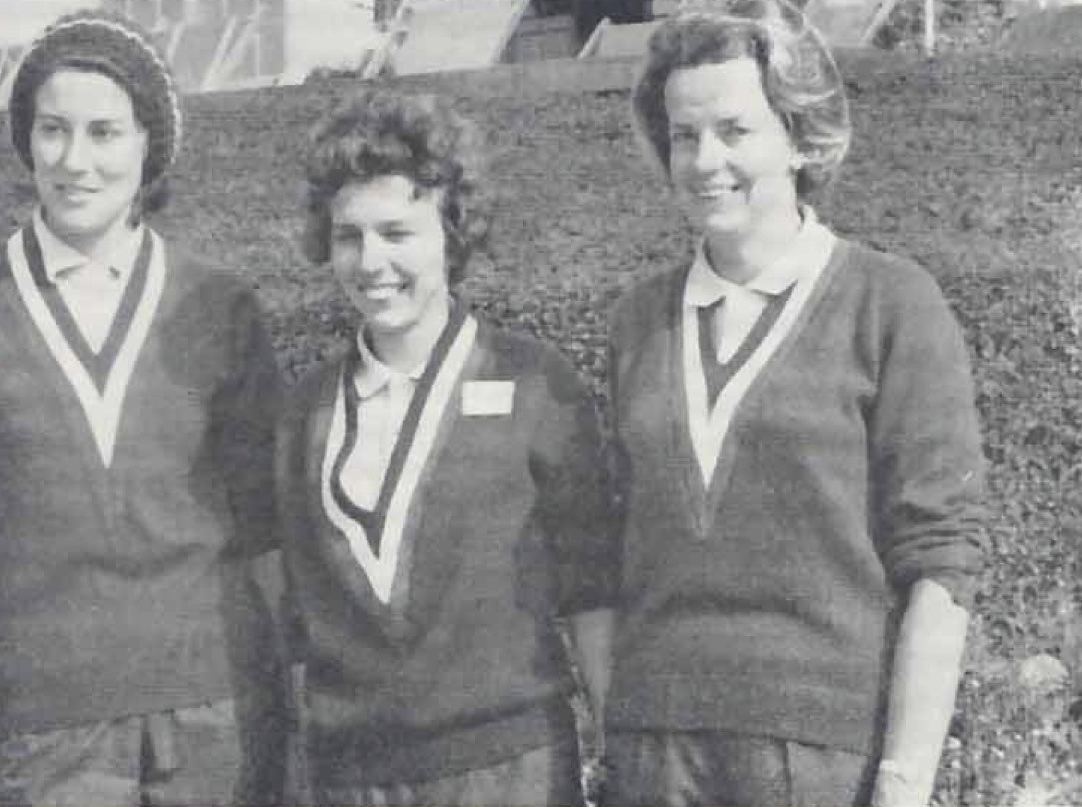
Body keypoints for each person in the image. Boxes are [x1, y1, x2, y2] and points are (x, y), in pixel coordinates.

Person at [0, 11, 285, 805]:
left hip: (219, 718)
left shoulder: (218, 302)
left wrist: (292, 698)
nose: (76, 161)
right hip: (53, 729)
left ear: (148, 144)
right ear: (26, 140)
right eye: (53, 130)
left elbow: (266, 524)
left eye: (105, 132)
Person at [603, 1, 987, 804]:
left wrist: (903, 779)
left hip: (817, 756)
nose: (705, 160)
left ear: (797, 134)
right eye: (683, 134)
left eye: (735, 130)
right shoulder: (639, 318)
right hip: (656, 753)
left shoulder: (891, 303)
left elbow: (941, 559)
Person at [274, 90, 618, 806]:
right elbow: (298, 629)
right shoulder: (304, 413)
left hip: (508, 770)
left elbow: (593, 595)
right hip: (352, 777)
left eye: (398, 232)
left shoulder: (533, 384)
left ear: (451, 233)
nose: (372, 262)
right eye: (349, 235)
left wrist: (620, 752)